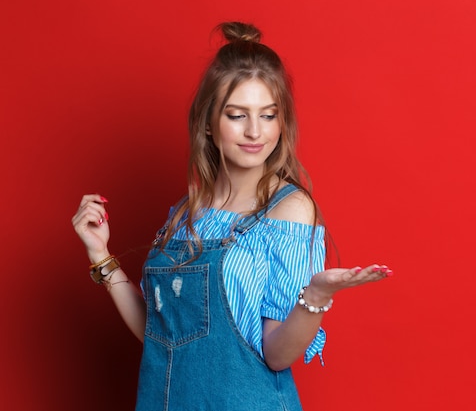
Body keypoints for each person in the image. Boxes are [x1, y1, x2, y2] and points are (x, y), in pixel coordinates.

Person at [71, 21, 392, 411]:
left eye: (268, 115)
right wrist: (101, 256)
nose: (255, 131)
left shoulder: (288, 209)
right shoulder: (186, 211)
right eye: (238, 115)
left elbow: (277, 355)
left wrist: (316, 295)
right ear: (209, 123)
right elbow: (162, 337)